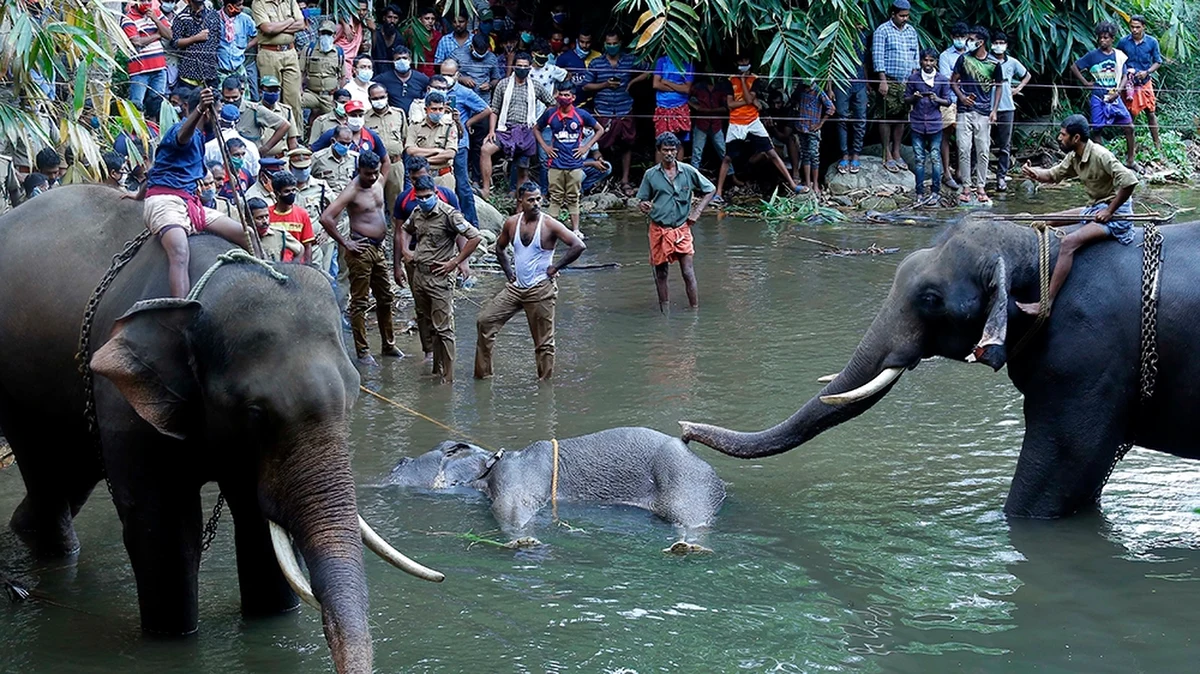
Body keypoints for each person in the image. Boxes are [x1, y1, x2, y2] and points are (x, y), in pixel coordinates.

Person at [1017, 114, 1139, 317]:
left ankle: (1047, 304)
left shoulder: (1101, 155)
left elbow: (1130, 181)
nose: (1059, 138)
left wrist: (1109, 211)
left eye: (1063, 134)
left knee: (1068, 242)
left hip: (1117, 214)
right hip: (1095, 207)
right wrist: (1033, 172)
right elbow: (1053, 175)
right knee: (1047, 219)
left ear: (1075, 138)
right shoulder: (1075, 157)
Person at [137, 86, 249, 298]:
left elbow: (156, 170)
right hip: (165, 202)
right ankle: (181, 311)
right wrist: (199, 109)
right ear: (208, 112)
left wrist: (137, 195)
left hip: (191, 205)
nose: (219, 118)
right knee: (179, 252)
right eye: (217, 112)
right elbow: (182, 137)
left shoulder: (200, 137)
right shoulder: (180, 129)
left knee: (246, 234)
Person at [474, 182, 585, 381]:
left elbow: (578, 245)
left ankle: (545, 387)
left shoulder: (549, 224)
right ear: (520, 201)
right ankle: (484, 376)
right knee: (485, 321)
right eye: (531, 200)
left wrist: (555, 267)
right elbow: (499, 248)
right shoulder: (512, 223)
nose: (536, 203)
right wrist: (509, 273)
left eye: (538, 199)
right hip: (516, 288)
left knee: (544, 342)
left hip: (541, 288)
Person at [319, 150, 403, 365]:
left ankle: (388, 344)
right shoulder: (352, 190)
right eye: (368, 174)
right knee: (360, 302)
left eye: (375, 173)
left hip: (378, 248)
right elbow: (326, 218)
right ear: (359, 171)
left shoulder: (379, 179)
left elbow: (385, 163)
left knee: (385, 297)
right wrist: (345, 242)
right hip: (360, 249)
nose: (372, 177)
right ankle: (363, 351)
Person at [398, 175, 481, 381]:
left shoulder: (449, 214)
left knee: (444, 329)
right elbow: (404, 229)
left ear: (435, 193)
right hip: (419, 274)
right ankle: (436, 369)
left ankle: (448, 377)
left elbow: (475, 237)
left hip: (440, 276)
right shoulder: (417, 213)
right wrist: (406, 251)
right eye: (420, 197)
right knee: (427, 323)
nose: (423, 200)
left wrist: (456, 262)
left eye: (427, 196)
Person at [636, 132, 716, 311]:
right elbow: (642, 200)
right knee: (661, 273)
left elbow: (710, 190)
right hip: (659, 228)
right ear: (659, 151)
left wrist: (697, 211)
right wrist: (644, 205)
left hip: (682, 228)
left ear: (678, 150)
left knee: (688, 272)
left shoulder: (687, 171)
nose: (669, 154)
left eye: (672, 150)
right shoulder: (651, 175)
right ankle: (664, 310)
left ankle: (694, 310)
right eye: (665, 150)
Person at [716, 53, 802, 202]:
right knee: (728, 158)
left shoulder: (754, 80)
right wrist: (752, 102)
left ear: (749, 60)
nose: (744, 62)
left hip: (753, 121)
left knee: (772, 153)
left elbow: (749, 97)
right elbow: (731, 105)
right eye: (741, 60)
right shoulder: (730, 80)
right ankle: (718, 193)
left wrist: (744, 83)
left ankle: (793, 184)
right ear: (736, 63)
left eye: (745, 59)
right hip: (736, 122)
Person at [584, 30, 649, 194]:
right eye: (609, 44)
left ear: (620, 43)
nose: (612, 46)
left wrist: (632, 82)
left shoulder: (630, 59)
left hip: (624, 108)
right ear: (604, 44)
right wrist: (604, 85)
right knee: (601, 145)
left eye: (615, 43)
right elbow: (585, 85)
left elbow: (650, 69)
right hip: (603, 110)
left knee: (627, 145)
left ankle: (625, 180)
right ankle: (603, 178)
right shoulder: (596, 63)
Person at [481, 52, 553, 198]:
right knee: (486, 149)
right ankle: (486, 190)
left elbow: (551, 103)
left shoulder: (536, 87)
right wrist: (491, 131)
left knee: (522, 168)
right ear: (514, 67)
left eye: (525, 66)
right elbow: (494, 109)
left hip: (526, 131)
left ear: (530, 68)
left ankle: (520, 204)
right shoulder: (503, 84)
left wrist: (538, 123)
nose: (522, 68)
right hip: (505, 129)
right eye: (519, 66)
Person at [536, 81, 603, 237]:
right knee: (556, 197)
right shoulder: (550, 113)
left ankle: (575, 230)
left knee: (573, 197)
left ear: (573, 97)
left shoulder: (581, 115)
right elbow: (536, 129)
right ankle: (552, 231)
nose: (563, 97)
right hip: (555, 163)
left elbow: (599, 129)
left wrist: (586, 147)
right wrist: (546, 148)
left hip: (575, 163)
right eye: (561, 94)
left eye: (567, 95)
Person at [1071, 20, 1136, 168]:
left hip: (1115, 97)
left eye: (1106, 37)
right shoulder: (1092, 55)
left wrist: (1118, 92)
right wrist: (1086, 83)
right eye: (1100, 37)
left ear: (1112, 38)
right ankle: (1104, 162)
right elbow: (1074, 67)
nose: (1102, 40)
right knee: (1097, 129)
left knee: (1129, 127)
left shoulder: (1119, 56)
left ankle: (1131, 160)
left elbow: (1125, 75)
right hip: (1098, 97)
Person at [950, 25, 1002, 205]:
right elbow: (953, 82)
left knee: (983, 151)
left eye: (971, 39)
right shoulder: (963, 59)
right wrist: (962, 98)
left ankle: (980, 187)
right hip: (964, 112)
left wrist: (994, 110)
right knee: (963, 148)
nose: (968, 42)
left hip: (984, 112)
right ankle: (966, 186)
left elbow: (999, 86)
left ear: (981, 42)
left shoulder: (994, 63)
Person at [433, 67, 491, 227]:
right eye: (443, 74)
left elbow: (486, 109)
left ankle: (472, 223)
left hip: (459, 144)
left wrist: (467, 123)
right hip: (437, 145)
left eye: (450, 75)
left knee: (462, 183)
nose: (446, 78)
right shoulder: (433, 92)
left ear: (457, 75)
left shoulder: (464, 92)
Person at [872, 0, 920, 173]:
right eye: (901, 15)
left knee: (901, 117)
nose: (905, 18)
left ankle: (897, 151)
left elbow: (916, 54)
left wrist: (915, 79)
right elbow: (877, 56)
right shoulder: (882, 30)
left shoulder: (911, 31)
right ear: (893, 14)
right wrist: (882, 80)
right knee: (886, 116)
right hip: (890, 79)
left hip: (906, 81)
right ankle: (886, 152)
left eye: (907, 15)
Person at [252, 0, 306, 136]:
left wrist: (277, 27)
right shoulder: (259, 3)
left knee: (294, 97)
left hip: (290, 52)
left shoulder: (290, 1)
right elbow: (267, 29)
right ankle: (271, 137)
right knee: (271, 96)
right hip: (269, 53)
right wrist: (289, 21)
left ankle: (295, 137)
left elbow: (301, 24)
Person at [905, 49, 951, 206]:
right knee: (919, 159)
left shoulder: (942, 80)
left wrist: (937, 99)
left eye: (931, 61)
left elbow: (948, 101)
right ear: (921, 61)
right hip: (917, 123)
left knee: (935, 158)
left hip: (935, 124)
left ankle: (935, 192)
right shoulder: (913, 79)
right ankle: (919, 193)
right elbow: (906, 99)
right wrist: (914, 97)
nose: (928, 64)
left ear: (936, 62)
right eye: (926, 60)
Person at [1117, 15, 1164, 156]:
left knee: (1150, 112)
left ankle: (1158, 145)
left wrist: (1147, 72)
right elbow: (1118, 59)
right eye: (1132, 27)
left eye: (1137, 27)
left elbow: (1158, 61)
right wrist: (1125, 74)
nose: (1135, 30)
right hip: (1129, 83)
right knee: (1129, 114)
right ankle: (1131, 148)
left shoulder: (1152, 42)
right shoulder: (1123, 42)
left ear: (1144, 27)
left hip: (1144, 82)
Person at [989, 31, 1030, 192]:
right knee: (982, 142)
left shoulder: (1012, 62)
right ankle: (977, 176)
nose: (999, 46)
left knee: (1004, 145)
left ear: (1006, 45)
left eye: (1002, 42)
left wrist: (1018, 88)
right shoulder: (987, 61)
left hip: (1007, 106)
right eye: (996, 42)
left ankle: (1001, 176)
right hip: (987, 106)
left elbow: (1027, 75)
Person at [122, 0, 172, 118]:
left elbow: (169, 35)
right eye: (143, 0)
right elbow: (136, 41)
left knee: (157, 105)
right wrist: (158, 35)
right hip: (139, 70)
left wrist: (155, 19)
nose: (147, 3)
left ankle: (154, 132)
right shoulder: (128, 18)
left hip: (159, 67)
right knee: (136, 105)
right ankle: (137, 134)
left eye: (149, 0)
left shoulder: (157, 14)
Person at [365, 82, 409, 213]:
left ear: (387, 96)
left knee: (397, 202)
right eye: (375, 98)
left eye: (381, 97)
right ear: (369, 99)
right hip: (374, 166)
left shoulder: (398, 114)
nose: (379, 101)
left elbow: (404, 137)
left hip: (395, 164)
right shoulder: (364, 117)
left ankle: (397, 232)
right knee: (372, 201)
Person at [221, 77, 289, 159]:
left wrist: (264, 149)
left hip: (250, 160)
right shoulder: (218, 111)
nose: (231, 101)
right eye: (227, 98)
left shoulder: (254, 110)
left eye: (235, 97)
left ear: (241, 93)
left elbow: (284, 125)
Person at [938, 21, 970, 189]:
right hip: (949, 100)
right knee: (946, 135)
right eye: (957, 37)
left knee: (963, 137)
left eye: (962, 37)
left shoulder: (972, 53)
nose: (960, 40)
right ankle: (946, 173)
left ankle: (959, 171)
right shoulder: (945, 56)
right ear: (952, 37)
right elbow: (946, 79)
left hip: (968, 100)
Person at [405, 90, 458, 190]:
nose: (437, 112)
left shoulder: (449, 126)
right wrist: (436, 151)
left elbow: (450, 154)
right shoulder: (415, 126)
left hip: (443, 176)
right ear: (426, 110)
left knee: (445, 204)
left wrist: (424, 161)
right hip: (421, 176)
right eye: (434, 109)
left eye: (440, 109)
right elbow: (410, 150)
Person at [833, 26, 869, 175]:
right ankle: (844, 155)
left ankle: (856, 154)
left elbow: (864, 62)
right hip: (841, 82)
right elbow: (831, 62)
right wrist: (829, 88)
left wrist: (867, 82)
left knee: (860, 119)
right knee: (841, 117)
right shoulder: (838, 33)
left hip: (859, 82)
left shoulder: (863, 36)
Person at [791, 80, 835, 194]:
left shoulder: (818, 90)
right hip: (801, 127)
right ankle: (808, 181)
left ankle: (815, 183)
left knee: (814, 155)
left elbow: (831, 108)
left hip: (812, 128)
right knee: (805, 154)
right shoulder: (800, 89)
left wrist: (820, 124)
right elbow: (793, 100)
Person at [652, 55, 695, 161]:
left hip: (680, 107)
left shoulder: (688, 63)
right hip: (663, 106)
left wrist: (666, 82)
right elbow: (656, 84)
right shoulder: (662, 61)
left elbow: (686, 89)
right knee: (660, 141)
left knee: (679, 142)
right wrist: (677, 88)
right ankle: (660, 174)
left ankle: (677, 173)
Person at [171, 0, 222, 87]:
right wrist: (195, 38)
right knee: (188, 99)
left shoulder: (213, 15)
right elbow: (175, 43)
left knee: (211, 99)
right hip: (189, 73)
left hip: (210, 72)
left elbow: (217, 39)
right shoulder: (181, 17)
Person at [300, 20, 344, 119]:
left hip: (329, 96)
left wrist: (339, 94)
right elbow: (301, 72)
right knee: (295, 102)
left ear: (334, 35)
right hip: (311, 94)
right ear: (319, 33)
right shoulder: (309, 49)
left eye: (329, 33)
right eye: (323, 33)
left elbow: (343, 76)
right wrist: (299, 90)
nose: (325, 36)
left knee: (337, 116)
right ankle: (300, 132)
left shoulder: (339, 52)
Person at [266, 170, 313, 263]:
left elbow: (307, 246)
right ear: (277, 193)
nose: (291, 194)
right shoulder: (266, 215)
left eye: (293, 190)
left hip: (296, 266)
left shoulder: (302, 214)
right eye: (287, 191)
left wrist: (307, 267)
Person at [688, 74, 729, 173]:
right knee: (697, 152)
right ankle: (693, 178)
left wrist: (710, 110)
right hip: (701, 123)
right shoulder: (698, 87)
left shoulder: (721, 87)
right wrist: (695, 106)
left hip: (716, 123)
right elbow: (685, 96)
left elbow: (727, 106)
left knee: (723, 151)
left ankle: (731, 175)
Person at [374, 45, 430, 112]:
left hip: (416, 117)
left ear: (410, 60)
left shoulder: (422, 78)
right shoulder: (383, 79)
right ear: (393, 61)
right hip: (394, 118)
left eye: (404, 58)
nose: (402, 61)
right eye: (398, 59)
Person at [247, 196, 303, 263]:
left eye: (267, 216)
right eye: (259, 218)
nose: (265, 221)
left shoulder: (279, 234)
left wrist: (292, 267)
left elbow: (300, 249)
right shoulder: (241, 237)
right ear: (248, 220)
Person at [216, 0, 256, 90]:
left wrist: (246, 47)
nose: (242, 7)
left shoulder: (245, 19)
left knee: (242, 96)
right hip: (220, 70)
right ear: (229, 6)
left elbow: (258, 35)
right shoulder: (215, 18)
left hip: (239, 68)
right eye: (239, 5)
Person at [258, 75, 302, 155]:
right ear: (260, 91)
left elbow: (292, 141)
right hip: (259, 158)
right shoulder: (254, 110)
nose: (273, 93)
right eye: (270, 90)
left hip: (281, 159)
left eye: (276, 90)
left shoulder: (286, 111)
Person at [311, 125, 359, 193]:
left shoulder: (354, 158)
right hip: (326, 198)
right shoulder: (317, 158)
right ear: (333, 141)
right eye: (342, 143)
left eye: (348, 144)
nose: (345, 147)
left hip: (348, 198)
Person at [409, 7, 442, 77]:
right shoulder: (411, 34)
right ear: (419, 20)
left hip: (432, 74)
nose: (430, 21)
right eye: (427, 18)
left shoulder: (438, 36)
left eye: (433, 19)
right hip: (414, 73)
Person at [370, 4, 404, 68]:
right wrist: (373, 32)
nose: (392, 21)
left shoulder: (399, 38)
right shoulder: (375, 32)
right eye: (389, 17)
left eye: (395, 18)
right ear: (384, 18)